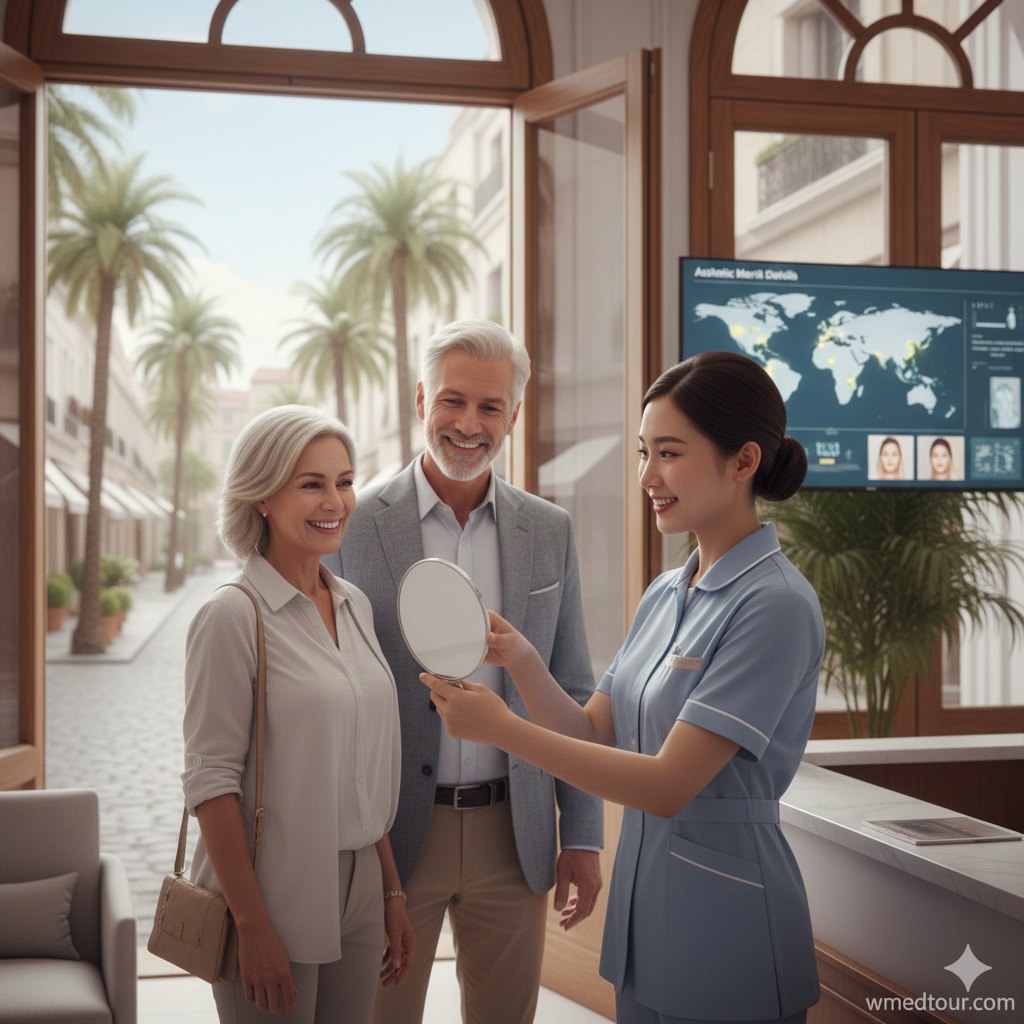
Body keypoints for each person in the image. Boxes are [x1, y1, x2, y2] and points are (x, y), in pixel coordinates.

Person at [424, 351, 825, 1024]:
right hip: (646, 916)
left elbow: (668, 785)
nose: (647, 476)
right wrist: (522, 660)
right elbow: (591, 732)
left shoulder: (776, 604)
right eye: (643, 452)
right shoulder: (669, 592)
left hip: (730, 924)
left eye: (669, 453)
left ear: (745, 460)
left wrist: (503, 731)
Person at [323, 318, 603, 1024]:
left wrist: (583, 835)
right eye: (452, 401)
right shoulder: (351, 526)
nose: (469, 424)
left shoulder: (550, 530)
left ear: (514, 413)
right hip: (388, 837)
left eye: (489, 406)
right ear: (421, 400)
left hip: (518, 833)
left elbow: (573, 686)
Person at [182, 405, 412, 1023]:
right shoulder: (231, 616)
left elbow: (362, 759)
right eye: (310, 483)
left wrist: (389, 888)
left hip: (361, 880)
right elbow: (210, 784)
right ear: (260, 497)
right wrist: (251, 925)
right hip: (271, 889)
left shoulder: (355, 604)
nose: (334, 500)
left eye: (343, 480)